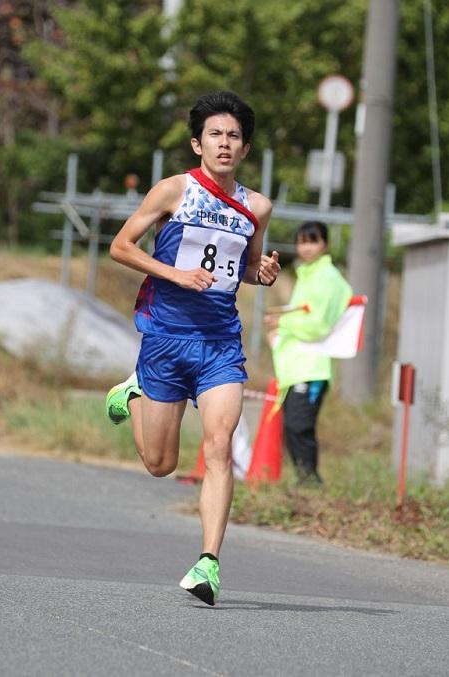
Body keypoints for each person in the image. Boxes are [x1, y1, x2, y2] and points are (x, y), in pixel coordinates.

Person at [105, 91, 281, 606]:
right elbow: (121, 246)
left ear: (245, 149)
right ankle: (133, 392)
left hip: (221, 342)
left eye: (233, 137)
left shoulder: (257, 206)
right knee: (160, 464)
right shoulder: (172, 190)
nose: (224, 145)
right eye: (215, 136)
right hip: (166, 337)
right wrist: (174, 274)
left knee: (220, 447)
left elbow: (246, 266)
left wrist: (262, 274)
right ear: (197, 142)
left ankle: (208, 564)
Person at [266, 221, 352, 485]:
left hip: (312, 368)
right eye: (302, 241)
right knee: (291, 428)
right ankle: (305, 482)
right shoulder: (307, 275)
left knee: (299, 426)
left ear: (324, 244)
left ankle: (311, 483)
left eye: (312, 241)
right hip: (297, 367)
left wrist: (284, 323)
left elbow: (318, 325)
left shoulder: (327, 278)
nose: (306, 247)